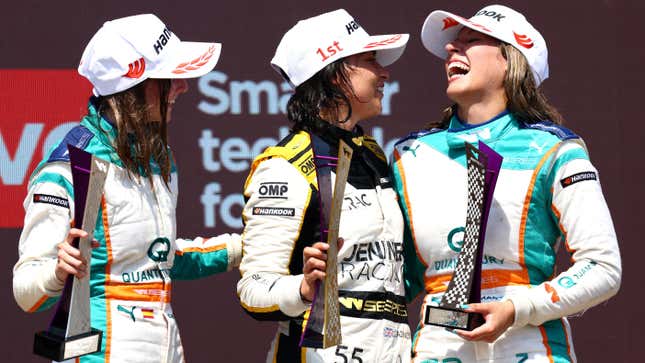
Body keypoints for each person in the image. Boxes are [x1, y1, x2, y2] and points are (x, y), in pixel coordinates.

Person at [392, 4, 622, 362]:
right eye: (453, 43)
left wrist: (517, 308)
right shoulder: (409, 154)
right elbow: (396, 279)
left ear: (510, 61)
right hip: (438, 347)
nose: (452, 48)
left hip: (529, 346)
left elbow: (604, 267)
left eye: (471, 40)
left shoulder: (556, 150)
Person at [13, 14, 242, 362]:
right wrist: (58, 271)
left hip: (167, 346)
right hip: (99, 351)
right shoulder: (69, 168)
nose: (183, 87)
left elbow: (158, 259)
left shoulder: (158, 158)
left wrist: (246, 247)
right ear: (132, 85)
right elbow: (25, 292)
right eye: (169, 78)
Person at [236, 9, 411, 362]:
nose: (384, 72)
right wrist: (302, 287)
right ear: (334, 74)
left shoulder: (372, 155)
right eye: (369, 60)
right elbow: (253, 290)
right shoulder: (284, 167)